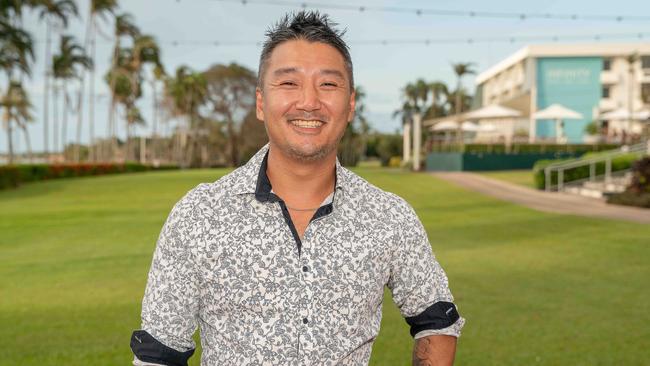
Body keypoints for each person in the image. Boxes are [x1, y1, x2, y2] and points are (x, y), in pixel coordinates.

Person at [130, 11, 465, 366]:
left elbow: (436, 319)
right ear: (261, 103)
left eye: (328, 84)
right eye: (289, 83)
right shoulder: (199, 215)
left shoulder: (389, 217)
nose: (308, 101)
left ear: (350, 104)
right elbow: (159, 352)